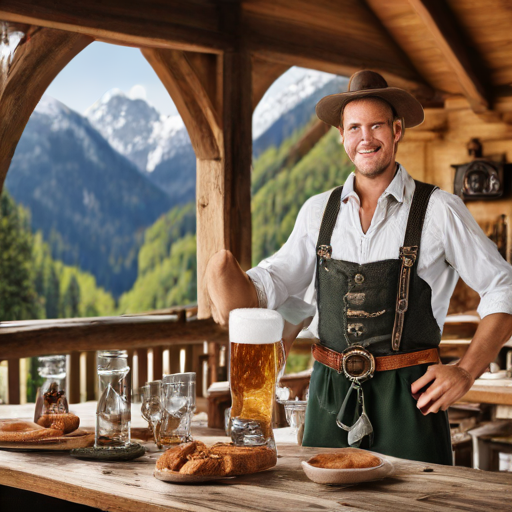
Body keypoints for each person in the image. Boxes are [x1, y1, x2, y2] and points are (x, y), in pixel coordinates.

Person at [206, 70, 512, 464]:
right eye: (354, 128)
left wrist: (466, 371)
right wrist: (231, 283)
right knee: (324, 508)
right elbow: (274, 283)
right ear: (342, 137)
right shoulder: (319, 211)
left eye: (376, 126)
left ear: (397, 130)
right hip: (328, 396)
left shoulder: (438, 209)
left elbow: (503, 286)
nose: (365, 138)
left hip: (411, 397)